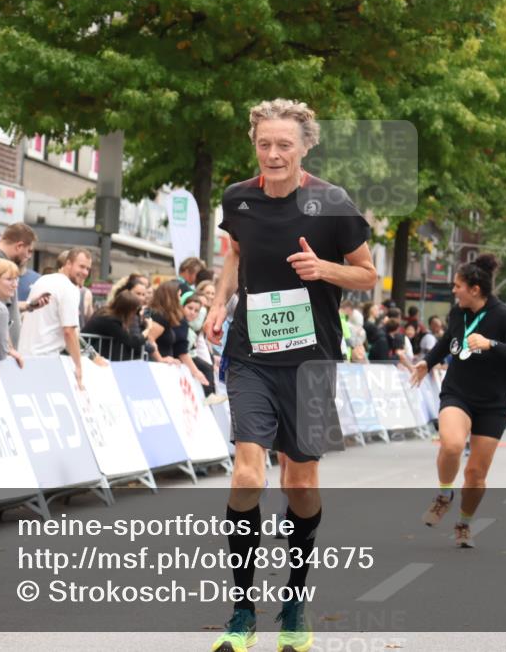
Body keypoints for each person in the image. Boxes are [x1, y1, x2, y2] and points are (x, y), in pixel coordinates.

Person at [206, 98, 374, 652]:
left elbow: (368, 275)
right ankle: (242, 609)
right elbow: (235, 254)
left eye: (285, 144)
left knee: (299, 484)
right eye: (264, 144)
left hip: (311, 360)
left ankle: (295, 600)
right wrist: (218, 301)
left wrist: (324, 269)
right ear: (254, 144)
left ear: (305, 146)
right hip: (251, 353)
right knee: (249, 477)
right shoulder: (238, 198)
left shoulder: (332, 203)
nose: (274, 153)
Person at [410, 254, 506, 548]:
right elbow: (445, 343)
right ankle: (444, 495)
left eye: (458, 286)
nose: (454, 290)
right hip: (458, 393)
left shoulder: (503, 316)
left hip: (493, 403)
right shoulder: (458, 314)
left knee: (476, 476)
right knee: (451, 444)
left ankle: (464, 523)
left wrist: (492, 344)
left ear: (475, 289)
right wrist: (427, 362)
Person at [18, 247, 95, 388]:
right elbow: (69, 331)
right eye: (81, 266)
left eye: (88, 269)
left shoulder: (44, 280)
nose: (85, 272)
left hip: (24, 356)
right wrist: (78, 367)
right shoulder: (70, 288)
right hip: (45, 361)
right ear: (68, 263)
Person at [0, 223, 49, 347]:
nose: (29, 256)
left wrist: (29, 305)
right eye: (29, 251)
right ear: (19, 246)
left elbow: (2, 305)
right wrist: (8, 347)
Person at [83, 290, 149, 361]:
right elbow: (132, 341)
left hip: (88, 350)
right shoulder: (110, 320)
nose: (135, 313)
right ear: (128, 309)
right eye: (134, 310)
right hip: (87, 352)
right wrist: (148, 328)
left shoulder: (105, 312)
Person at [146, 279, 192, 366]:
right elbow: (149, 338)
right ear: (171, 297)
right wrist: (160, 359)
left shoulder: (159, 313)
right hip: (156, 366)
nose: (180, 299)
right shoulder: (159, 316)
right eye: (179, 295)